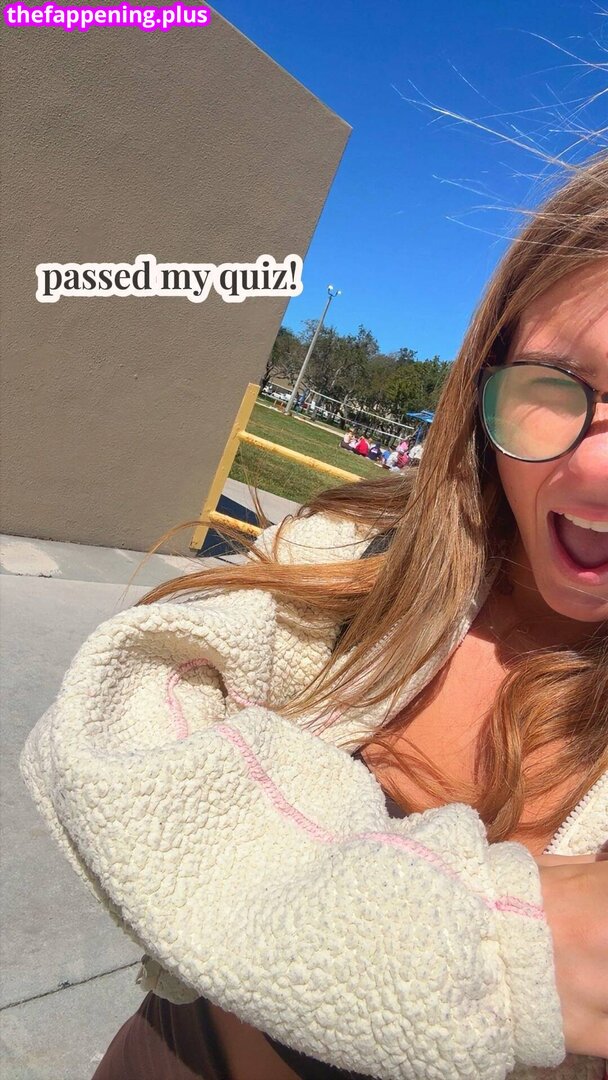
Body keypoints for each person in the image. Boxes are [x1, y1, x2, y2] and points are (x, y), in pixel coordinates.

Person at [21, 155, 608, 1080]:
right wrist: (499, 948)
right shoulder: (362, 552)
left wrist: (265, 867)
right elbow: (109, 732)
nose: (597, 470)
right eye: (558, 383)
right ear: (489, 381)